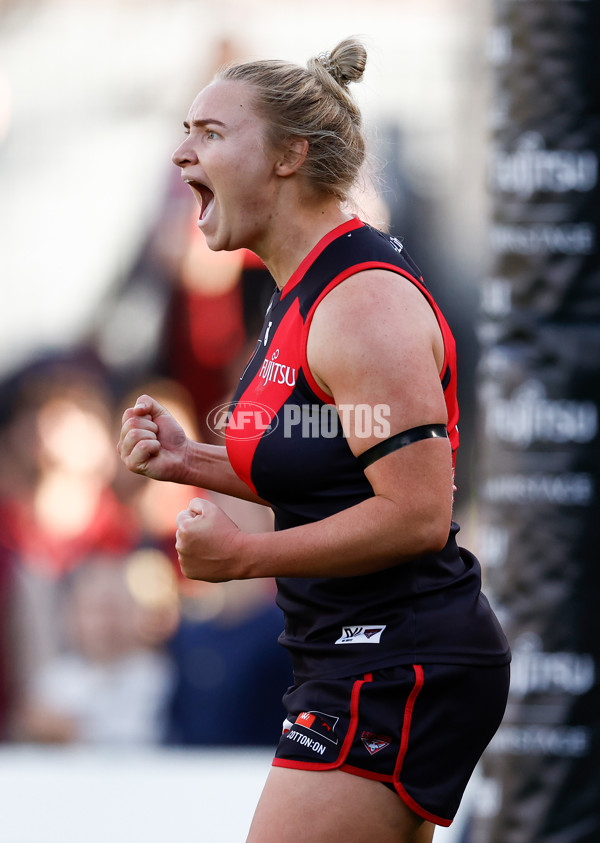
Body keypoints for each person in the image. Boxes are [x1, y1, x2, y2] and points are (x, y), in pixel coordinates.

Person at [118, 38, 510, 843]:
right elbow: (336, 467)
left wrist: (246, 557)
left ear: (291, 155)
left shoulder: (359, 301)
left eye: (212, 132)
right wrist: (185, 459)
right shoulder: (299, 288)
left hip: (396, 658)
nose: (182, 150)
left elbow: (416, 514)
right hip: (358, 656)